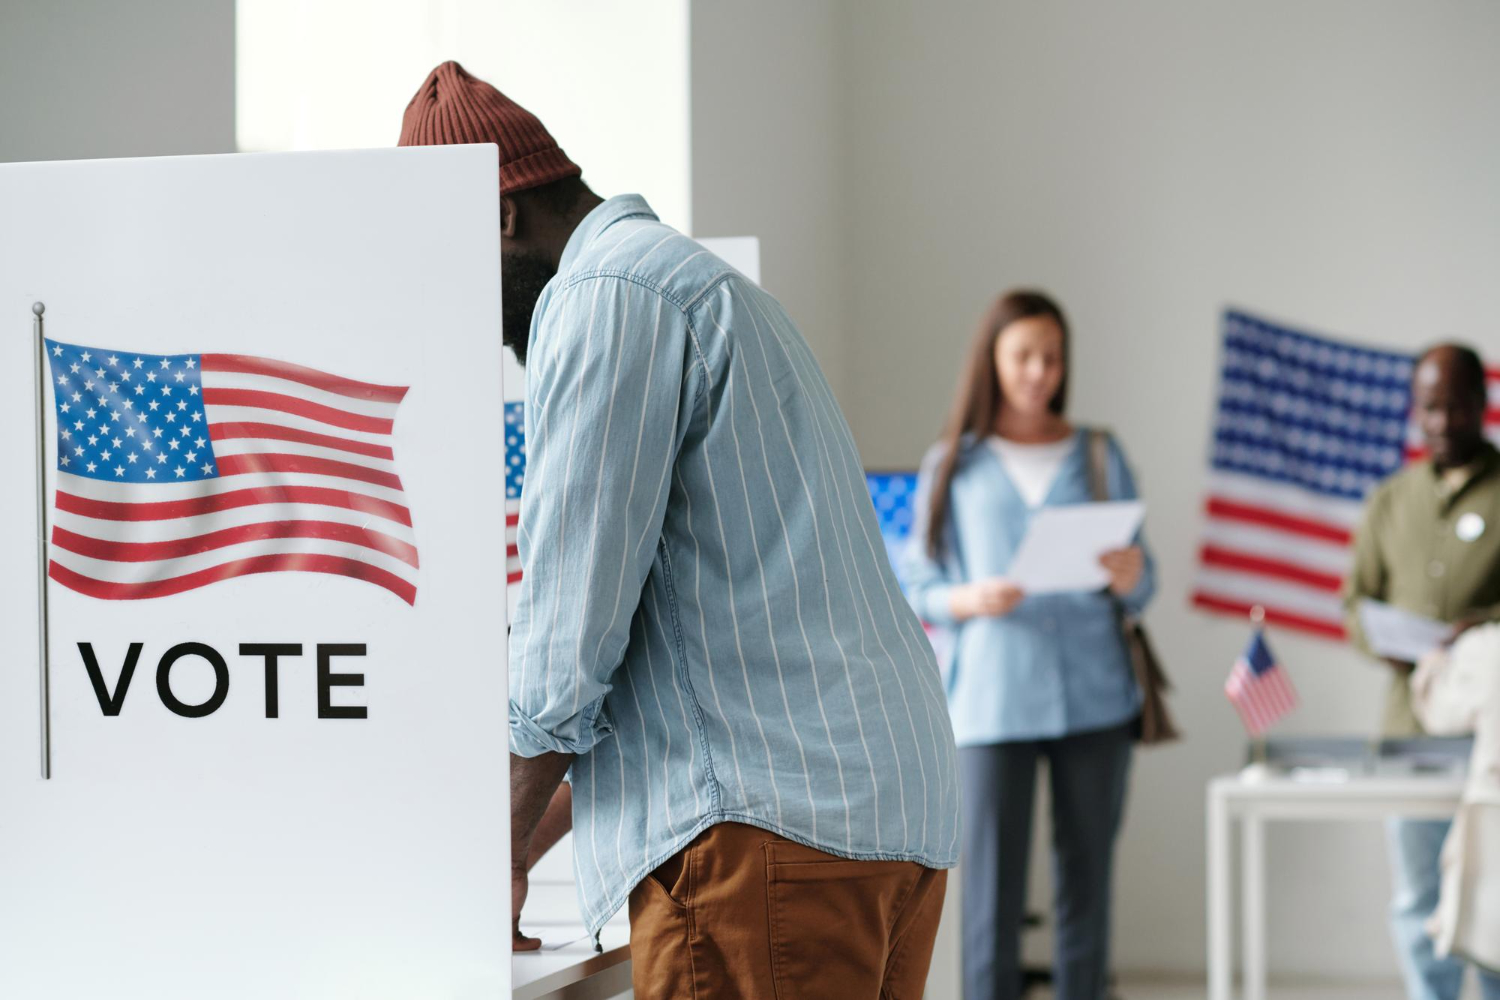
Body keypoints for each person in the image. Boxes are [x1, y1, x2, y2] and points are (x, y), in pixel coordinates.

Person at [398, 62, 960, 999]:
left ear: (501, 217)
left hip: (764, 843)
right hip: (872, 821)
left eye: (444, 268)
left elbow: (568, 624)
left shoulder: (606, 295)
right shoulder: (697, 285)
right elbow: (708, 638)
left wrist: (492, 849)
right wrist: (543, 823)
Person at [904, 290, 1154, 1000]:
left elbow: (1145, 580)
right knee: (989, 897)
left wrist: (1131, 576)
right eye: (1024, 355)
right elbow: (916, 584)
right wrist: (966, 598)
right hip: (990, 703)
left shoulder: (1100, 453)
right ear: (993, 361)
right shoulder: (953, 462)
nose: (1039, 371)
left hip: (1097, 699)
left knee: (1087, 886)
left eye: (1052, 356)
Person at [1344, 343, 1500, 1000]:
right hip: (1410, 727)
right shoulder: (1389, 500)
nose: (1442, 421)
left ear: (1482, 405)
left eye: (1456, 405)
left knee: (1494, 887)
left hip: (1490, 731)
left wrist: (1481, 633)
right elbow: (1355, 603)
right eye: (1430, 408)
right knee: (1417, 892)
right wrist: (1387, 640)